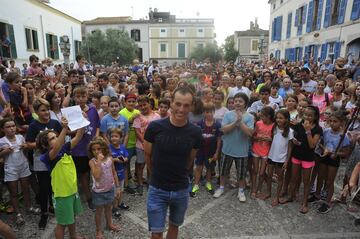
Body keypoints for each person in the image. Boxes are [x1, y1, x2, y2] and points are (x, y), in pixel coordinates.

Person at [144, 86, 202, 239]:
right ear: (171, 103)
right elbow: (147, 155)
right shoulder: (155, 127)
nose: (181, 109)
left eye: (186, 105)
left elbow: (191, 159)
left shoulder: (195, 133)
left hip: (181, 189)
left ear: (192, 107)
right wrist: (155, 176)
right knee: (156, 234)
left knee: (174, 227)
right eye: (178, 104)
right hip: (157, 188)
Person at [36, 117, 85, 239]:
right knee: (62, 223)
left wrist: (82, 121)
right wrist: (64, 128)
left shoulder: (65, 148)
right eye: (52, 138)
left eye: (56, 136)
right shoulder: (47, 157)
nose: (56, 139)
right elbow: (57, 147)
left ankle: (73, 236)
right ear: (44, 145)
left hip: (72, 190)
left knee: (72, 216)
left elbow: (78, 136)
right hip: (62, 195)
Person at [26, 98, 62, 229]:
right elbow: (28, 143)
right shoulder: (33, 126)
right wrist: (42, 144)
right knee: (44, 188)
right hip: (41, 162)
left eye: (48, 109)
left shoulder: (54, 122)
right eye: (43, 110)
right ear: (36, 111)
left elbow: (62, 136)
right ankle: (44, 213)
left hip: (55, 160)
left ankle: (53, 206)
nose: (46, 112)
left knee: (54, 186)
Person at [280, 106, 322, 214]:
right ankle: (290, 196)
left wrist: (308, 131)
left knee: (306, 181)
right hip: (297, 155)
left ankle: (304, 203)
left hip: (308, 158)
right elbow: (295, 137)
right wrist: (294, 141)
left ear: (315, 116)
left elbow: (312, 145)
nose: (307, 117)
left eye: (310, 115)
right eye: (305, 115)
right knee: (294, 178)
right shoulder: (299, 125)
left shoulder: (317, 129)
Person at [214, 92, 254, 202]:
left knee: (241, 173)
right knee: (223, 171)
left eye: (240, 101)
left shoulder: (250, 117)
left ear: (245, 103)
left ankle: (241, 190)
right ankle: (221, 188)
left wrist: (240, 122)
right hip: (227, 149)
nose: (237, 103)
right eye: (236, 101)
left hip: (242, 151)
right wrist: (235, 121)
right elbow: (224, 130)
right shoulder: (228, 114)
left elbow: (249, 133)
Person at [308, 110, 351, 213]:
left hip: (333, 160)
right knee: (321, 177)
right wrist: (325, 149)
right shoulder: (326, 131)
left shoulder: (343, 136)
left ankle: (327, 202)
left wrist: (336, 154)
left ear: (341, 122)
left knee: (329, 181)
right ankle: (317, 195)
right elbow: (321, 144)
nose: (332, 123)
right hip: (324, 157)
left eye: (335, 121)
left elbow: (346, 153)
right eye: (330, 121)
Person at [0, 118, 37, 226]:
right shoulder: (1, 141)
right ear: (3, 129)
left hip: (23, 166)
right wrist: (4, 152)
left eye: (13, 126)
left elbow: (27, 149)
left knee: (25, 189)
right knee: (14, 192)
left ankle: (29, 207)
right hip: (11, 168)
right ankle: (18, 214)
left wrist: (26, 147)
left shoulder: (20, 137)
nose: (11, 128)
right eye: (8, 127)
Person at [71, 86, 100, 211]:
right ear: (74, 98)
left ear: (87, 97)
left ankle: (94, 192)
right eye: (78, 96)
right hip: (78, 149)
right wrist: (80, 119)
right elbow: (69, 132)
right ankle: (89, 198)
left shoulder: (93, 110)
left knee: (93, 171)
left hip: (91, 147)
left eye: (83, 96)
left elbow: (97, 126)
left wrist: (97, 138)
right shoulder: (71, 112)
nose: (80, 99)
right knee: (83, 174)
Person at [88, 137, 121, 238]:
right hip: (98, 192)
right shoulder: (92, 162)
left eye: (99, 149)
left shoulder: (110, 159)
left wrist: (118, 187)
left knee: (108, 208)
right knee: (99, 212)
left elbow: (114, 173)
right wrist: (99, 161)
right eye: (94, 150)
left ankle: (109, 224)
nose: (96, 152)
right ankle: (98, 230)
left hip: (110, 189)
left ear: (104, 148)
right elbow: (97, 176)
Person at [191, 103, 221, 196]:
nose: (209, 114)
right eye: (207, 112)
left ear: (214, 112)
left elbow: (219, 140)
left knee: (209, 168)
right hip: (200, 150)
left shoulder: (217, 124)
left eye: (211, 112)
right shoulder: (199, 123)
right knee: (199, 167)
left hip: (211, 152)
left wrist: (217, 153)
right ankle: (196, 184)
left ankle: (208, 183)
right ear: (203, 113)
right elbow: (195, 137)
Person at [133, 95, 160, 195]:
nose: (143, 107)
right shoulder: (138, 117)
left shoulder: (156, 116)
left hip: (154, 145)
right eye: (140, 106)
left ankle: (150, 181)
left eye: (145, 104)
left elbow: (158, 131)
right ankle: (140, 183)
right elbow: (137, 131)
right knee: (140, 165)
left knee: (150, 164)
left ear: (149, 103)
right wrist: (144, 142)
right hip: (141, 145)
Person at [267, 109, 293, 206]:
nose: (278, 120)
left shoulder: (290, 131)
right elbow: (273, 141)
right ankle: (268, 192)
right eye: (277, 117)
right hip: (271, 156)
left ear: (286, 119)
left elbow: (290, 147)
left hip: (281, 158)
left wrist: (287, 161)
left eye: (281, 118)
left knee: (280, 178)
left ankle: (277, 197)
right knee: (269, 175)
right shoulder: (274, 128)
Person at [251, 106, 275, 199]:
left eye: (263, 116)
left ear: (269, 116)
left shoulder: (273, 125)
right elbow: (253, 135)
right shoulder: (258, 123)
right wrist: (258, 138)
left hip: (266, 151)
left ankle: (259, 189)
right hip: (256, 149)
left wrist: (270, 139)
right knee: (255, 171)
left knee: (261, 172)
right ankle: (253, 189)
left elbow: (274, 139)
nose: (261, 117)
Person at [119, 94, 140, 193]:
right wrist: (130, 120)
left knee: (139, 161)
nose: (131, 103)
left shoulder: (138, 112)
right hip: (127, 142)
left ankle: (135, 176)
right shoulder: (121, 113)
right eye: (129, 101)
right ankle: (127, 183)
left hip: (138, 141)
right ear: (125, 102)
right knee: (126, 163)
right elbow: (119, 128)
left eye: (133, 101)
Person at [109, 128, 130, 217]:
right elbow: (107, 159)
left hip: (121, 174)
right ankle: (114, 207)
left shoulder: (122, 147)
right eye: (112, 136)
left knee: (120, 190)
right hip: (112, 175)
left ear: (121, 138)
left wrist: (124, 159)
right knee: (114, 192)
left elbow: (127, 157)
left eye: (116, 136)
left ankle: (120, 203)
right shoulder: (109, 148)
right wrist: (115, 159)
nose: (114, 138)